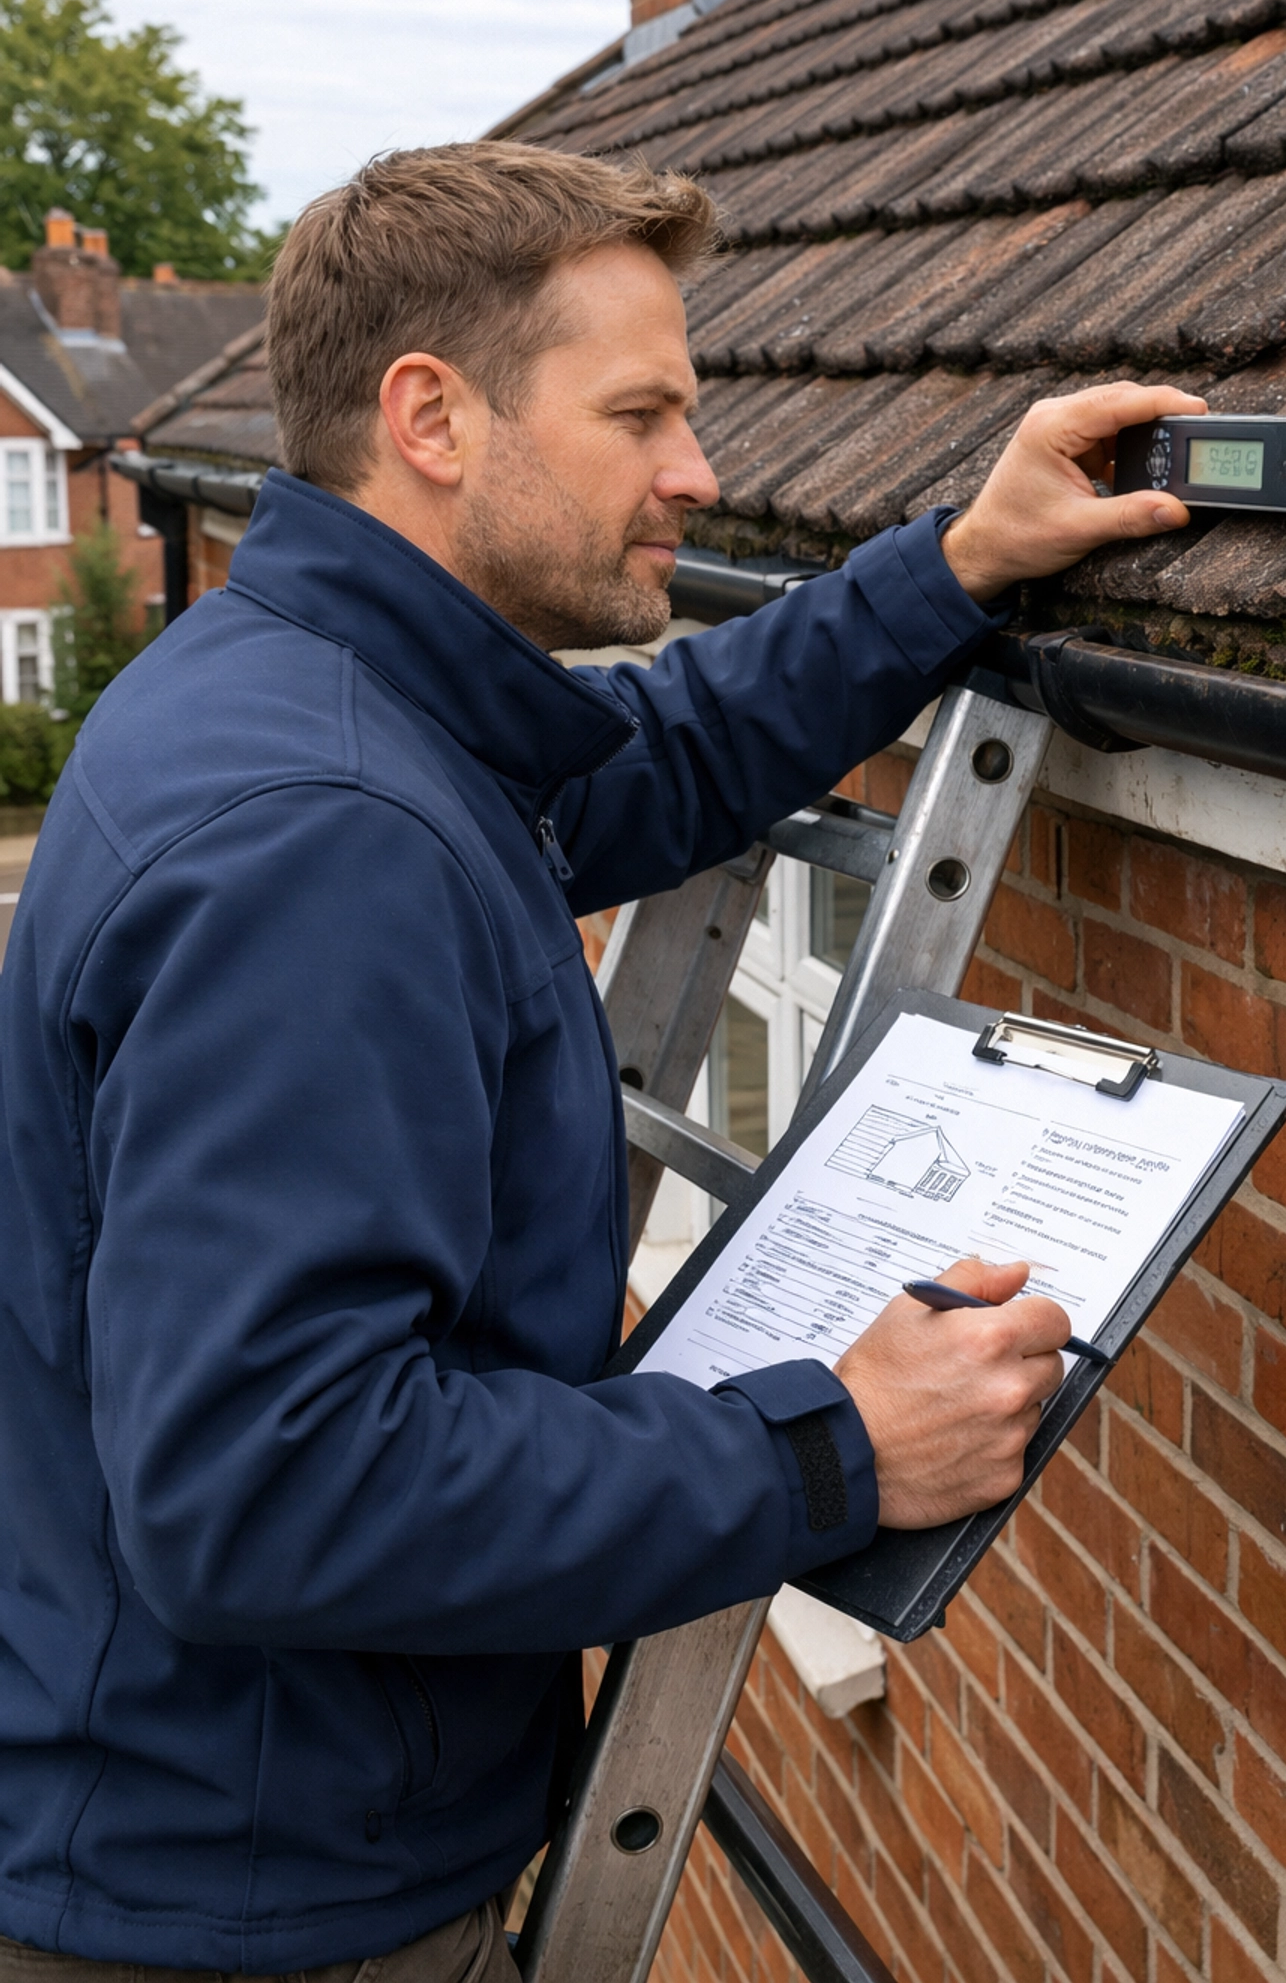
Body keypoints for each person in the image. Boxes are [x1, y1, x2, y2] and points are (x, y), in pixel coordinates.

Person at [0, 143, 1198, 1983]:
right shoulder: (325, 843)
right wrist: (834, 1452)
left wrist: (957, 565)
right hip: (243, 1909)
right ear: (434, 419)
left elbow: (637, 761)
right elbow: (269, 1485)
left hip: (209, 1833)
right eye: (639, 413)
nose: (696, 472)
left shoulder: (326, 688)